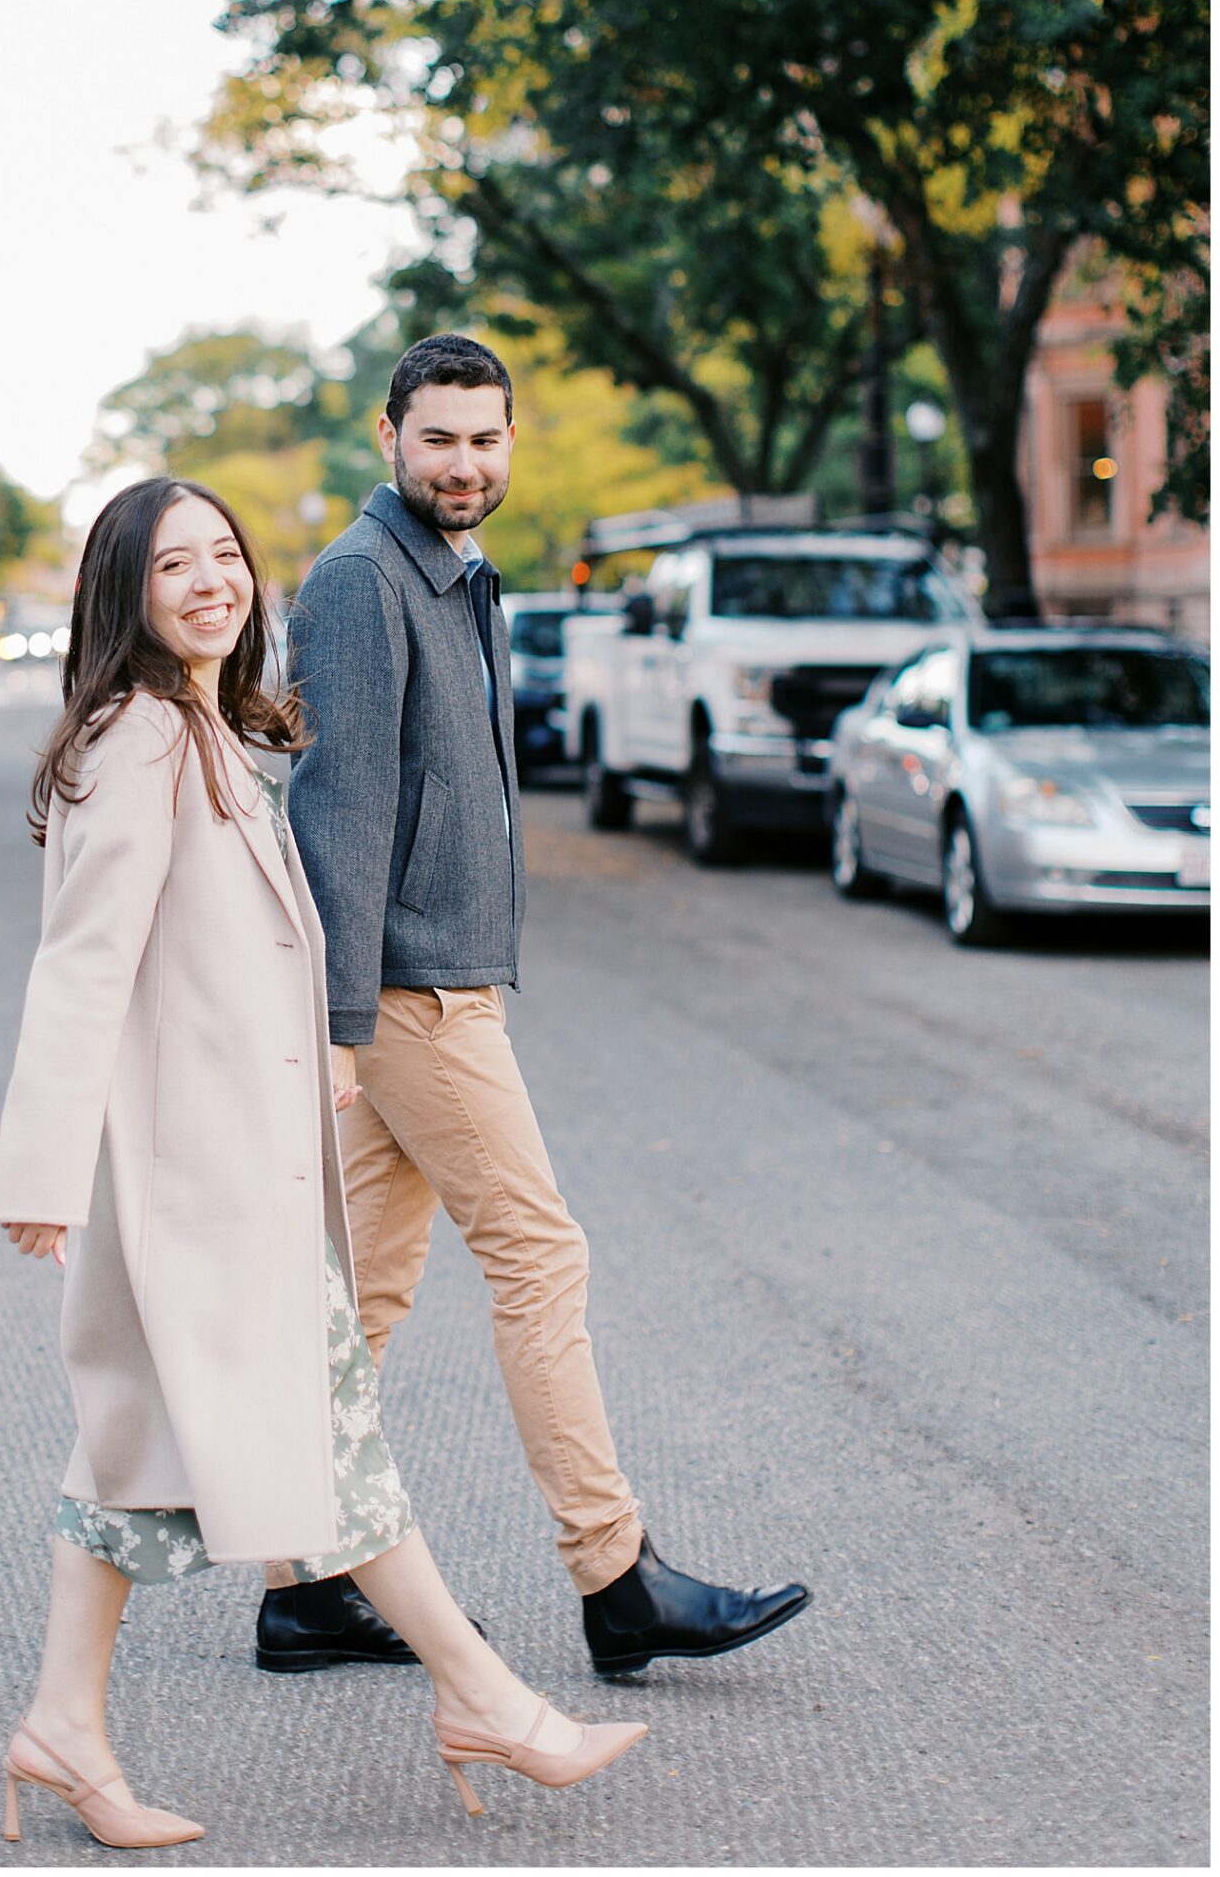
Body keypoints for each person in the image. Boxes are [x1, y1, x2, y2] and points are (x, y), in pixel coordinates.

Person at [0, 476, 646, 1850]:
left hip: (231, 1170)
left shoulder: (202, 729)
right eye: (175, 567)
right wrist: (42, 1172)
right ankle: (487, 1700)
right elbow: (81, 969)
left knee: (128, 1456)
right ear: (126, 593)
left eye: (225, 556)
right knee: (331, 1437)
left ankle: (62, 1723)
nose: (211, 583)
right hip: (199, 1184)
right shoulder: (141, 744)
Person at [256, 335, 810, 1680]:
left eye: (485, 440)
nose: (463, 462)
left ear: (512, 444)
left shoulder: (453, 576)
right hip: (406, 997)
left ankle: (304, 1585)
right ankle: (613, 1573)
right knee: (538, 1255)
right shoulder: (357, 583)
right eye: (438, 438)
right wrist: (338, 1033)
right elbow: (333, 822)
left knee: (363, 1295)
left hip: (430, 982)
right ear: (387, 437)